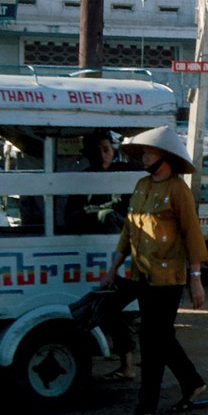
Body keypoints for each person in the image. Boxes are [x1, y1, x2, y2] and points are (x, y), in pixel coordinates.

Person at [103, 125, 208, 415]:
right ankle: (193, 384)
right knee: (161, 337)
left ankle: (145, 409)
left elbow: (192, 235)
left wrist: (196, 278)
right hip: (140, 273)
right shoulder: (141, 185)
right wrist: (114, 267)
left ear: (165, 157)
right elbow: (128, 230)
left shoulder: (178, 190)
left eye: (149, 152)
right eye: (144, 152)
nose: (145, 156)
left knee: (151, 342)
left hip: (169, 279)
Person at [66, 129, 141, 381]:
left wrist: (100, 213)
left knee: (116, 310)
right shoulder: (83, 180)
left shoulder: (124, 175)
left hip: (120, 258)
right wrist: (100, 213)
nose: (102, 155)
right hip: (89, 257)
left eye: (107, 149)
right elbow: (72, 217)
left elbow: (125, 215)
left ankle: (128, 365)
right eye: (97, 150)